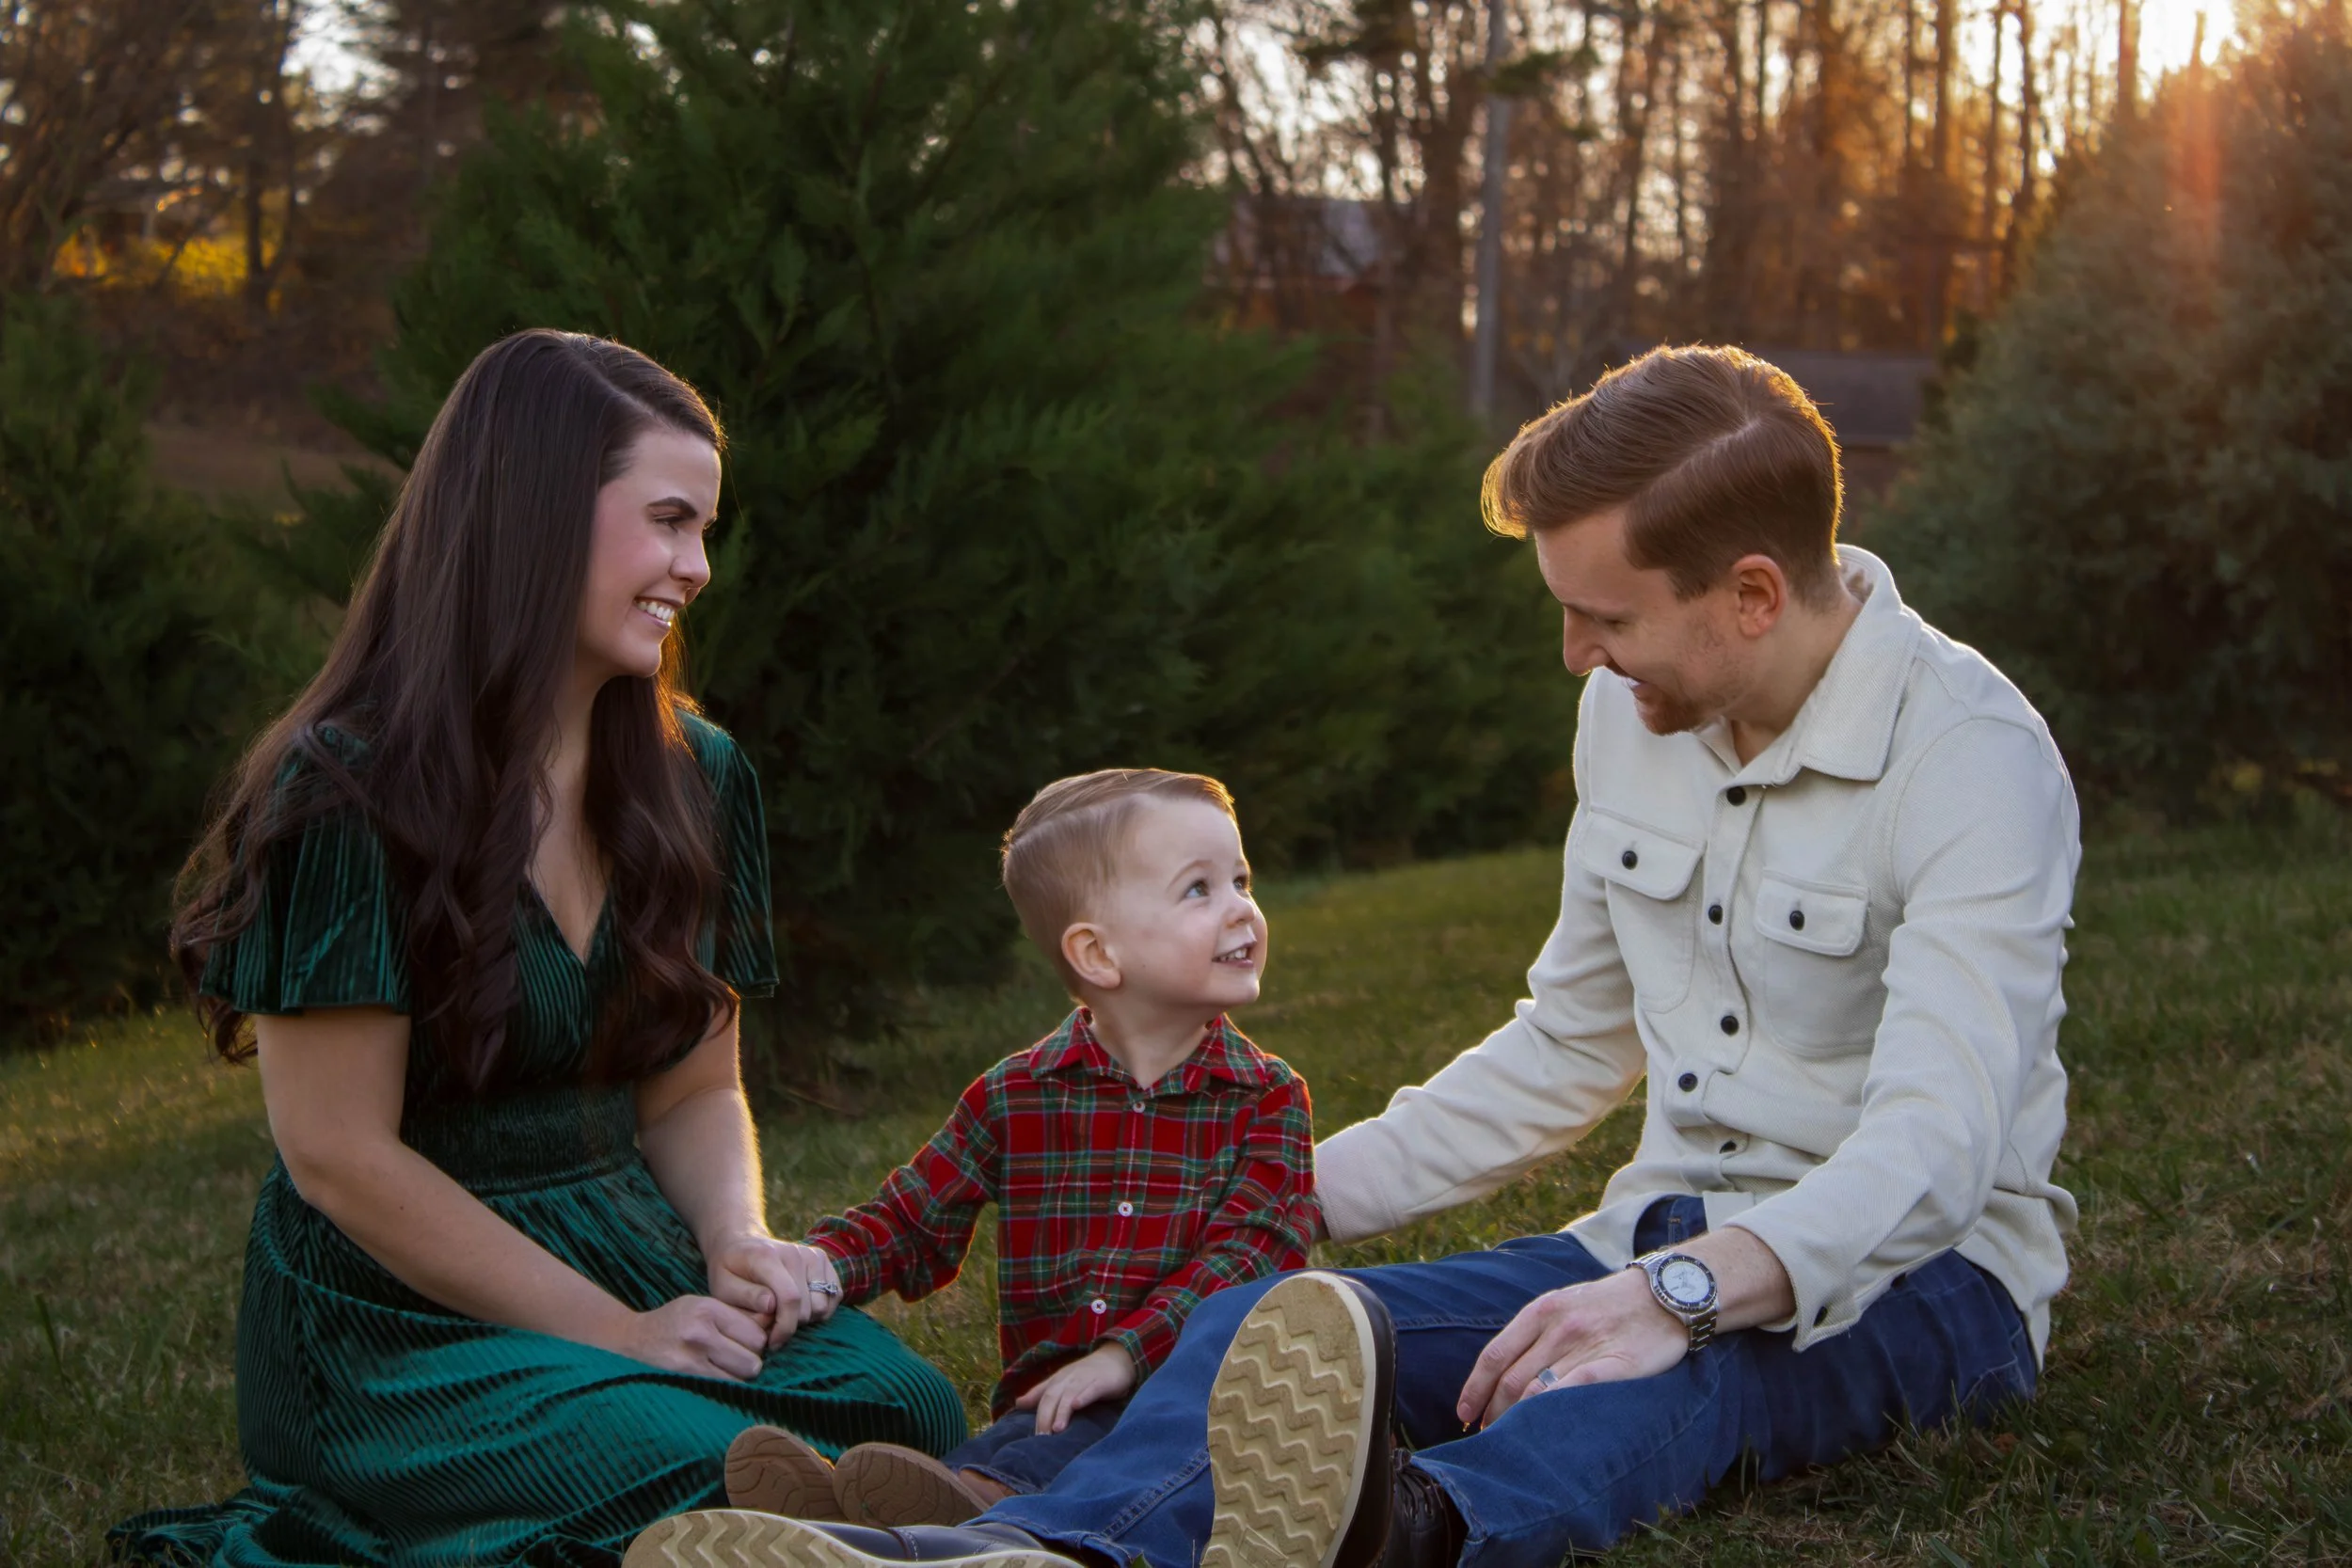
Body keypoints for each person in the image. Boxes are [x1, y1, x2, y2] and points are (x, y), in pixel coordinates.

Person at [630, 343, 2080, 1568]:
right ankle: (1010, 1540)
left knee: (1642, 1385)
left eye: (1606, 616)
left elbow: (1937, 1140)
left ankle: (1397, 1527)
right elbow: (1567, 1040)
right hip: (1648, 1226)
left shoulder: (1970, 760)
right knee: (1279, 1320)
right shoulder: (1635, 719)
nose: (1575, 654)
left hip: (1925, 1276)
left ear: (1752, 595)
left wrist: (1679, 1295)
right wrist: (1272, 1198)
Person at [109, 330, 967, 1568]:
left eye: (705, 527)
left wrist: (732, 1236)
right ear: (539, 511)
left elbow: (695, 1085)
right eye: (670, 520)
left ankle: (869, 1542)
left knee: (906, 1407)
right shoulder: (352, 790)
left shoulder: (697, 776)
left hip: (631, 1242)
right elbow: (338, 1156)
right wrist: (616, 1330)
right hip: (395, 1318)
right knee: (675, 1452)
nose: (699, 565)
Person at [707, 769, 1320, 1531]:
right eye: (1199, 889)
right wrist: (816, 1269)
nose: (1242, 910)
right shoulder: (1016, 1096)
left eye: (1241, 878)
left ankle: (939, 1523)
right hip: (1052, 1409)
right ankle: (860, 1526)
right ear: (1097, 953)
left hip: (1204, 1406)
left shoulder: (1265, 1097)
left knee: (1077, 1457)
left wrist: (1125, 1352)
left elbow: (1254, 1252)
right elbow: (912, 1219)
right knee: (1031, 1441)